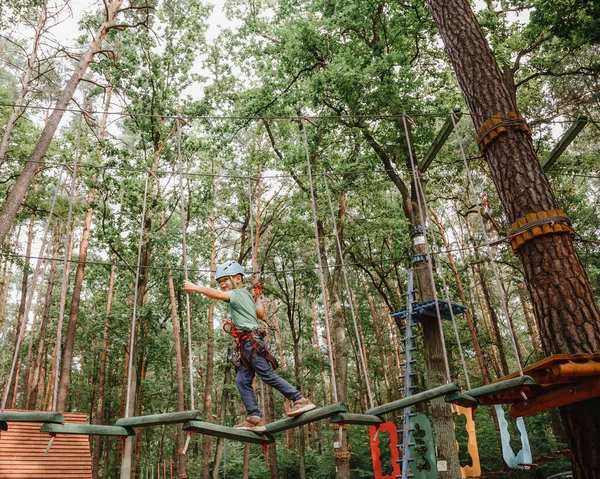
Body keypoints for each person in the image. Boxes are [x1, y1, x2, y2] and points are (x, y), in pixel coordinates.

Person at [183, 260, 316, 432]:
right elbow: (259, 314)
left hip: (251, 343)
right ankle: (254, 418)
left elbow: (216, 295)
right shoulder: (245, 295)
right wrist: (257, 297)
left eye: (225, 280)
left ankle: (299, 399)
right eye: (219, 282)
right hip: (246, 344)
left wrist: (194, 287)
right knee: (242, 380)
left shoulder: (237, 293)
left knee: (266, 375)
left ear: (238, 279)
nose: (222, 284)